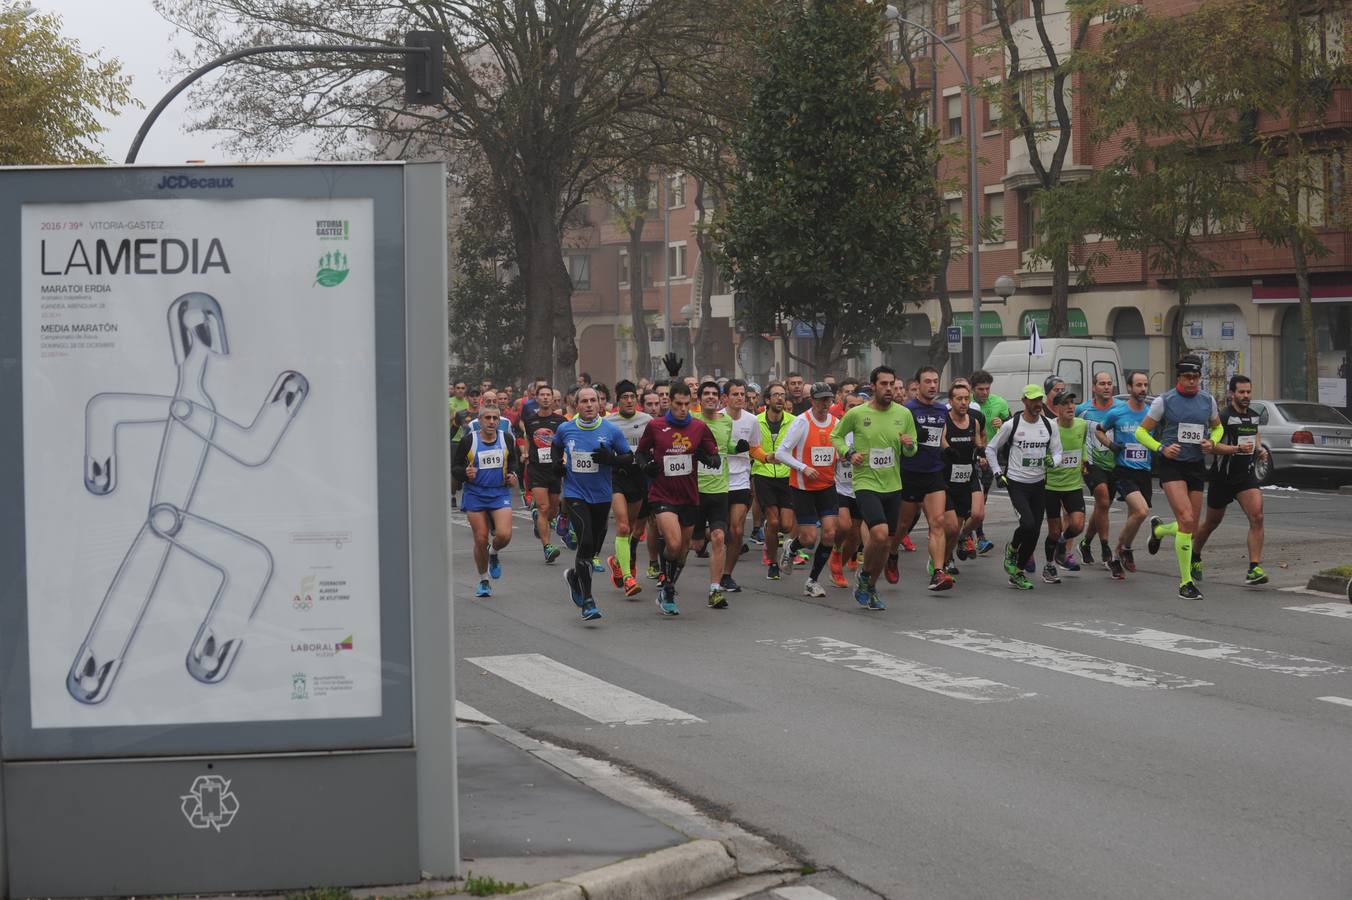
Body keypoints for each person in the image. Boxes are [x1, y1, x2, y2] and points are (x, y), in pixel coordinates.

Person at [831, 365, 918, 610]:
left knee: (886, 544)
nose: (889, 388)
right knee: (878, 533)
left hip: (893, 484)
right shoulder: (857, 414)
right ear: (873, 386)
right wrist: (849, 453)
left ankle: (869, 584)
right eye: (884, 384)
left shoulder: (904, 414)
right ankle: (865, 576)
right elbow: (836, 436)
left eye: (892, 384)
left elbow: (912, 450)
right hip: (866, 483)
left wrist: (909, 445)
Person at [1141, 354, 1223, 600]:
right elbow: (1140, 431)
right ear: (1179, 377)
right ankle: (1185, 582)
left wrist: (1213, 442)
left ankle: (1160, 530)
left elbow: (1218, 427)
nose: (1192, 381)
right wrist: (1161, 448)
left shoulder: (1207, 401)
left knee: (1191, 526)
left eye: (1196, 377)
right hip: (1171, 465)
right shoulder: (1164, 401)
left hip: (1195, 465)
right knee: (1186, 519)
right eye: (1188, 377)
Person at [636, 382, 720, 615]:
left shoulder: (699, 427)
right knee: (672, 543)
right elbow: (641, 453)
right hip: (662, 493)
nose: (683, 408)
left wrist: (709, 459)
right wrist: (647, 467)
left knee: (682, 552)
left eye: (687, 404)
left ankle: (667, 586)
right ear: (670, 403)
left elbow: (714, 456)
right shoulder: (655, 426)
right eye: (678, 404)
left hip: (689, 495)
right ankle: (668, 588)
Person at [552, 387, 632, 620]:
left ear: (600, 404)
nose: (588, 405)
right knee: (585, 541)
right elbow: (556, 445)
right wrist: (557, 464)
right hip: (576, 494)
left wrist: (612, 460)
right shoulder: (566, 428)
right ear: (576, 405)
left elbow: (628, 458)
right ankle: (588, 600)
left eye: (593, 401)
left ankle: (575, 577)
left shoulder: (611, 430)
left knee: (594, 546)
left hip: (602, 496)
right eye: (584, 401)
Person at [1192, 374, 1269, 585]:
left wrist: (1260, 449)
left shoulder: (1254, 416)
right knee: (1211, 522)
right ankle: (1194, 555)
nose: (1245, 396)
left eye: (1248, 392)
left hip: (1245, 477)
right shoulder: (1224, 417)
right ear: (1232, 393)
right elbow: (1211, 446)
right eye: (1241, 392)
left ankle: (1254, 567)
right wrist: (1235, 449)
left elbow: (1255, 434)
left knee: (1258, 517)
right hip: (1222, 478)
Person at [986, 385, 1063, 590]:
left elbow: (1058, 453)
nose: (1037, 404)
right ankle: (1012, 548)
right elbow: (991, 449)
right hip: (1017, 483)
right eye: (1033, 400)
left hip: (1039, 483)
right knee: (1028, 524)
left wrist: (1052, 462)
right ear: (1024, 401)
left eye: (1040, 400)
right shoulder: (1012, 425)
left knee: (1035, 531)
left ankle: (1017, 572)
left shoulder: (1049, 425)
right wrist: (997, 473)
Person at [775, 382, 841, 598]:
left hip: (827, 486)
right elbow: (781, 453)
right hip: (803, 487)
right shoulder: (802, 422)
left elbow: (844, 449)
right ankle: (792, 547)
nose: (824, 404)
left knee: (830, 533)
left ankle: (812, 580)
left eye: (828, 400)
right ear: (811, 401)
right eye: (820, 400)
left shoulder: (836, 423)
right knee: (809, 538)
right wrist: (804, 468)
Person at [452, 405, 520, 598]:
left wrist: (513, 474)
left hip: (499, 493)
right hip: (475, 494)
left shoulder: (506, 438)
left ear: (499, 421)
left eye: (495, 418)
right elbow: (455, 467)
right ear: (480, 421)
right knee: (481, 538)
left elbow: (513, 462)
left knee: (504, 535)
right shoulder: (469, 441)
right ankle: (483, 580)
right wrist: (465, 473)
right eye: (487, 418)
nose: (491, 422)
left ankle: (494, 552)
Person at [898, 366, 954, 591]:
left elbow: (939, 436)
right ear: (918, 385)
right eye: (927, 381)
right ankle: (892, 553)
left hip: (933, 473)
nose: (932, 385)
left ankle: (938, 572)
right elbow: (898, 437)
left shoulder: (942, 410)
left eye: (935, 381)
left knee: (938, 522)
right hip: (909, 473)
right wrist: (908, 439)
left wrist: (947, 450)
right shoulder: (906, 410)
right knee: (902, 524)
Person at [1096, 370, 1153, 580]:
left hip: (1144, 472)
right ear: (1129, 388)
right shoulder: (1117, 412)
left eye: (1145, 385)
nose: (1143, 389)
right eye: (1138, 385)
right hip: (1124, 472)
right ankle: (1121, 549)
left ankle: (1121, 554)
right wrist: (1111, 444)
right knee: (1141, 511)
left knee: (1135, 517)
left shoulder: (1150, 414)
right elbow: (1099, 430)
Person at [693, 380, 740, 609]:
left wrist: (736, 447)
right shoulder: (691, 421)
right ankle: (667, 575)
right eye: (707, 394)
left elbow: (725, 446)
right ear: (699, 399)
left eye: (714, 394)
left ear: (720, 398)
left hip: (720, 488)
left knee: (719, 536)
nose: (711, 397)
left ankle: (714, 590)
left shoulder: (727, 421)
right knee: (693, 544)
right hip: (694, 489)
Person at [604, 380, 653, 597]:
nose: (629, 400)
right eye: (625, 397)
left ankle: (616, 560)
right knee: (622, 527)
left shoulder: (647, 421)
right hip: (616, 477)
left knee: (632, 528)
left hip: (638, 478)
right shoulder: (608, 422)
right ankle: (628, 578)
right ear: (618, 400)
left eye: (632, 397)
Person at [720, 379, 765, 594]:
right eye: (735, 394)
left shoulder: (752, 420)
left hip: (740, 480)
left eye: (742, 395)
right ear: (725, 398)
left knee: (737, 529)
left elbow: (755, 448)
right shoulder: (717, 418)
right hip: (718, 481)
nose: (740, 398)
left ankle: (726, 575)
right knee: (719, 532)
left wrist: (767, 458)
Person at [1076, 371, 1124, 568]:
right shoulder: (1083, 410)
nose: (1106, 387)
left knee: (1101, 507)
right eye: (1102, 383)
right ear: (1094, 387)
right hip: (1091, 464)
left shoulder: (1121, 408)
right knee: (1103, 499)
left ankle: (1086, 543)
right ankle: (1105, 547)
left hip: (1115, 464)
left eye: (1109, 383)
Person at [753, 383, 798, 580]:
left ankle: (780, 544)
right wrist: (765, 457)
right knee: (773, 522)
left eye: (782, 395)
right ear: (767, 400)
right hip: (763, 475)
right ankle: (772, 563)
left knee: (786, 526)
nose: (780, 398)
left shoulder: (795, 421)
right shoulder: (756, 422)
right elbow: (751, 447)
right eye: (775, 395)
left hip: (787, 476)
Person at [1042, 391, 1089, 584]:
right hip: (1051, 485)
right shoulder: (1049, 428)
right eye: (1065, 404)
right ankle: (1049, 565)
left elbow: (1083, 443)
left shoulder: (1082, 424)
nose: (1070, 407)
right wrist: (1048, 461)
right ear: (1057, 408)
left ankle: (1062, 544)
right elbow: (1040, 450)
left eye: (1072, 402)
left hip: (1073, 485)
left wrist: (1084, 459)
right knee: (1054, 530)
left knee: (1077, 525)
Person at [518, 383, 567, 562]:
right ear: (536, 398)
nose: (546, 397)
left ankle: (539, 519)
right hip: (537, 469)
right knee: (544, 507)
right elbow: (528, 439)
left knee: (553, 510)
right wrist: (526, 454)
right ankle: (547, 547)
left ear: (553, 399)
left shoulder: (561, 422)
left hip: (554, 469)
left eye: (549, 395)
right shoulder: (530, 420)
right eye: (542, 395)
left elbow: (565, 444)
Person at [940, 381, 986, 575]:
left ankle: (964, 537)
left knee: (977, 515)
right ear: (951, 401)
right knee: (951, 527)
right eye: (959, 399)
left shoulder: (973, 420)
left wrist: (982, 452)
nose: (963, 402)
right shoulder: (945, 419)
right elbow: (941, 439)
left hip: (969, 473)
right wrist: (948, 450)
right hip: (949, 477)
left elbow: (978, 440)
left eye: (966, 399)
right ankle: (947, 558)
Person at [831, 388, 869, 586]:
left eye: (859, 406)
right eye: (851, 406)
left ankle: (839, 564)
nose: (855, 409)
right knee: (844, 525)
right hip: (840, 487)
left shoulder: (869, 429)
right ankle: (836, 550)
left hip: (861, 487)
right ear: (844, 409)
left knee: (855, 537)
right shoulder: (839, 429)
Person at [968, 370, 1008, 555]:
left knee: (981, 499)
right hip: (969, 456)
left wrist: (1004, 422)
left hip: (990, 457)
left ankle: (971, 534)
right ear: (972, 389)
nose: (984, 392)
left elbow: (1010, 425)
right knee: (970, 498)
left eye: (987, 389)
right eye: (980, 389)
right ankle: (977, 537)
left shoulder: (999, 402)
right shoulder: (965, 402)